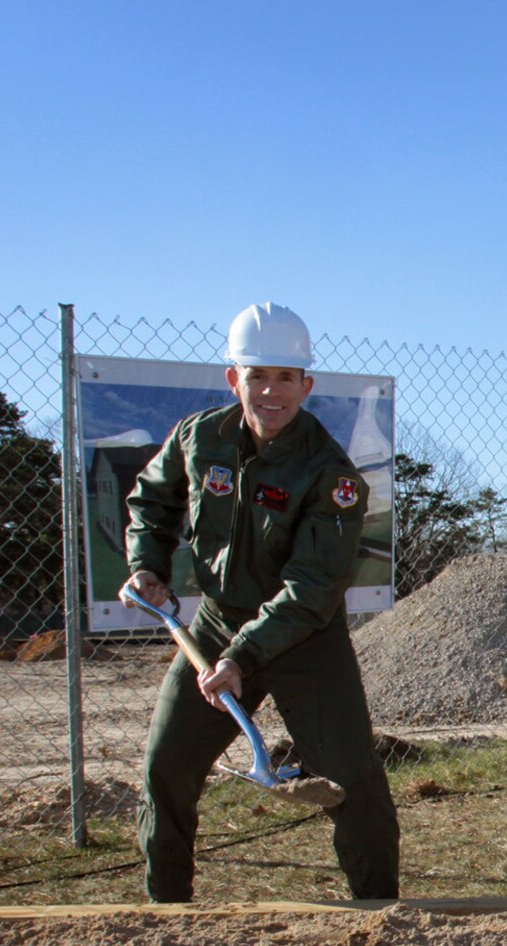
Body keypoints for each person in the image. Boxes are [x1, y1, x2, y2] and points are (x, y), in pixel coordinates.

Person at [125, 302, 400, 902]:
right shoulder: (199, 438)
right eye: (257, 376)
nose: (270, 392)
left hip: (308, 640)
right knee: (165, 769)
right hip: (218, 627)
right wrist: (146, 565)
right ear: (234, 379)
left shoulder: (332, 475)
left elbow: (310, 590)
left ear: (307, 384)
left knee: (353, 783)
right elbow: (151, 501)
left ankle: (381, 909)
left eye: (284, 378)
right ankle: (166, 909)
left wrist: (241, 661)